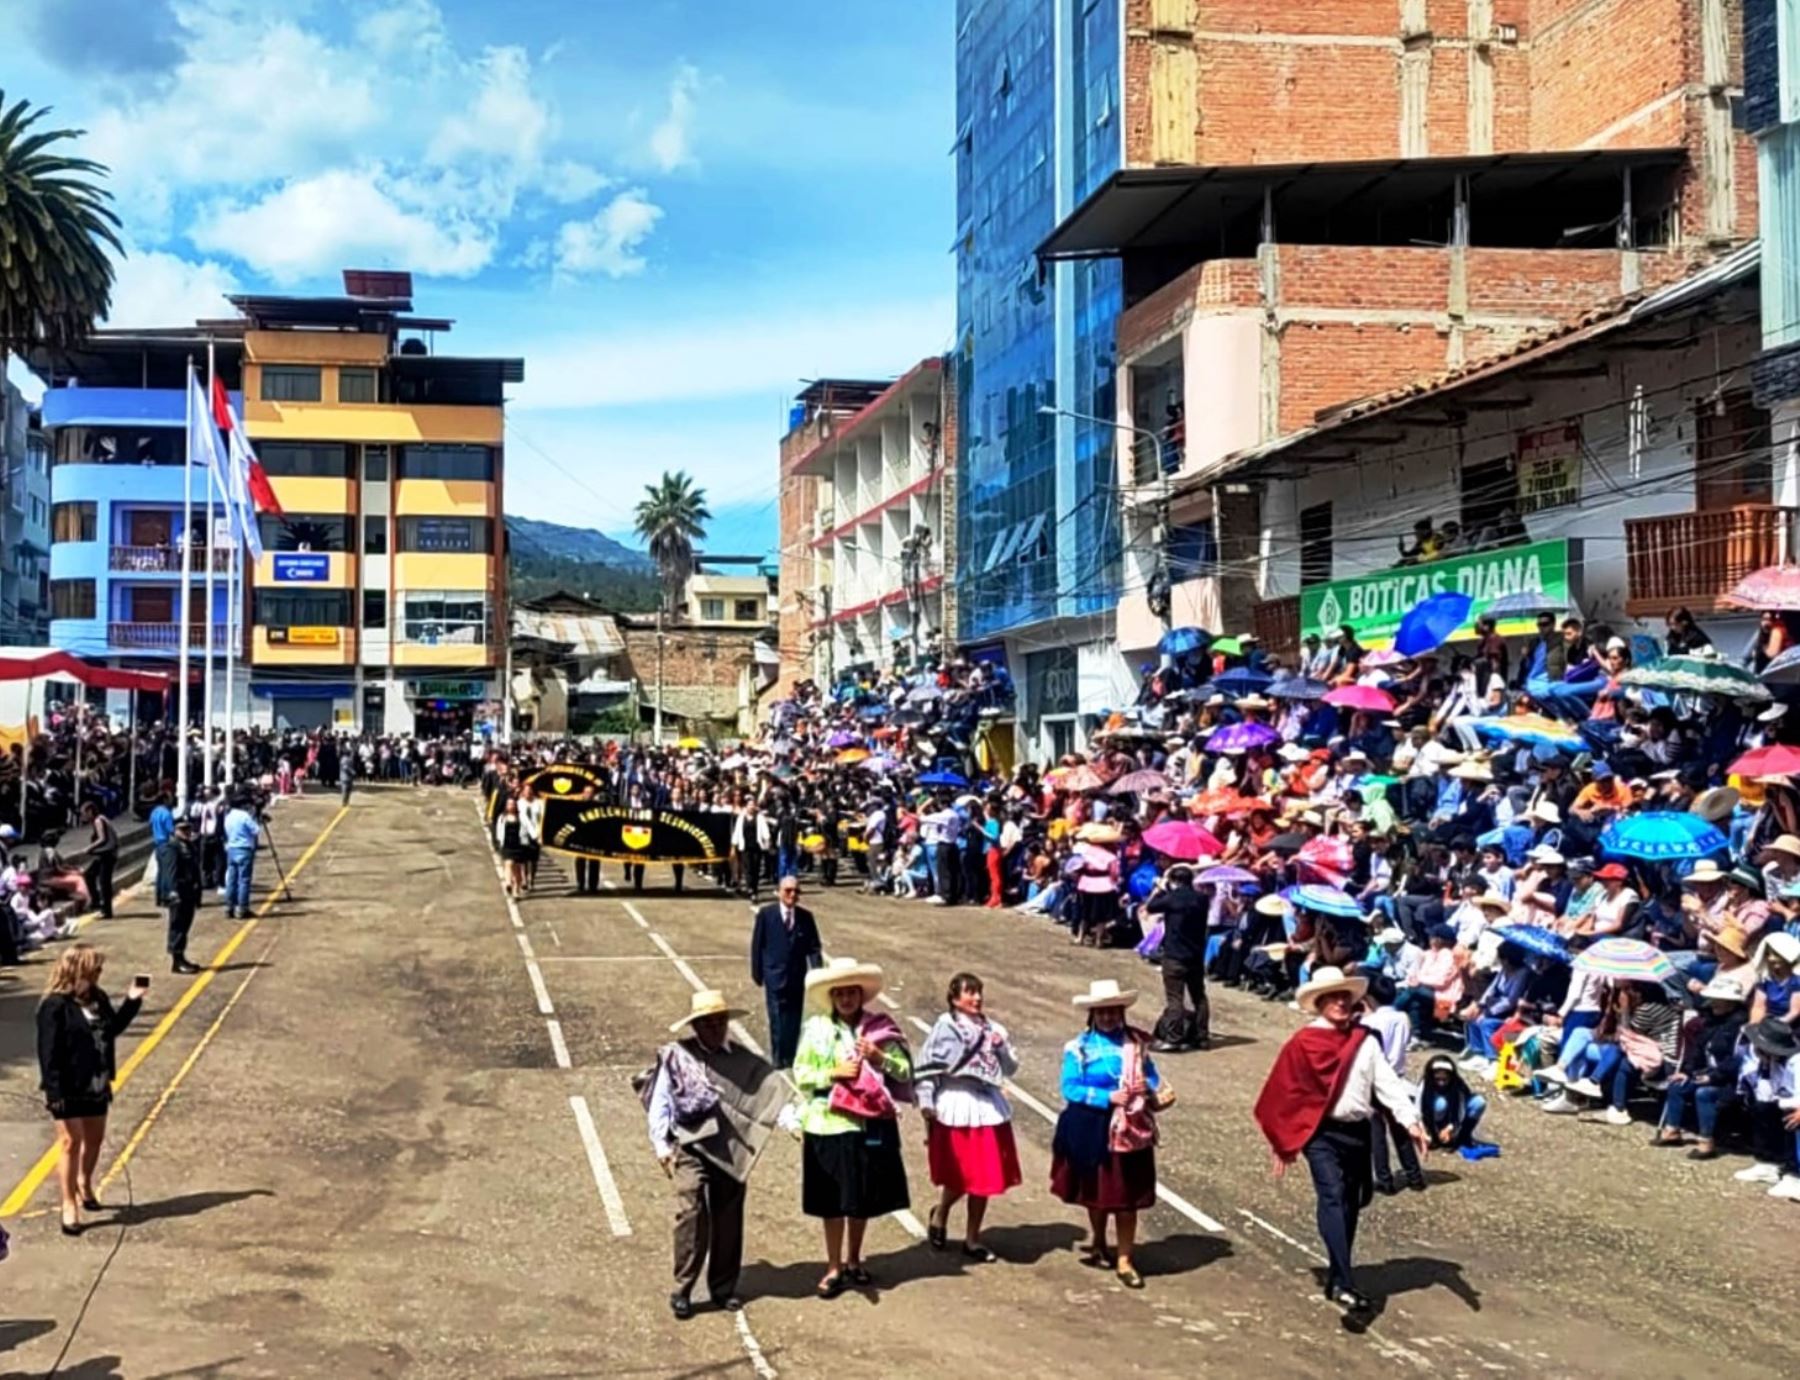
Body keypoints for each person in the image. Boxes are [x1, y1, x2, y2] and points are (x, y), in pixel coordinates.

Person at [1253, 966, 1429, 1313]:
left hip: (1358, 1132)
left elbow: (1387, 1084)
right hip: (1321, 1134)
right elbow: (1286, 1092)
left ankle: (1337, 1273)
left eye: (1345, 996)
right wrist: (1282, 1141)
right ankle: (1346, 1282)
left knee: (1353, 1202)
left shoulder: (1364, 1041)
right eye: (1332, 997)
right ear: (1319, 1003)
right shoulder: (1303, 1043)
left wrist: (1410, 1121)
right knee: (1332, 1195)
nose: (1340, 1002)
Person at [643, 989, 783, 1320]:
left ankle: (723, 1288)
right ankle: (683, 1288)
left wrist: (795, 1123)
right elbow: (659, 1103)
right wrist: (662, 1146)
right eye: (707, 1023)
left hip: (730, 1149)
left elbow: (769, 1097)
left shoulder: (745, 1061)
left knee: (729, 1216)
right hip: (690, 1146)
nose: (715, 1028)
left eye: (720, 1022)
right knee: (690, 1210)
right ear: (696, 1026)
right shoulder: (677, 1056)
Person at [791, 957, 912, 1298]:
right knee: (831, 1202)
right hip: (826, 1123)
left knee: (861, 1198)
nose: (846, 999)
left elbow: (904, 1074)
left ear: (861, 994)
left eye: (851, 993)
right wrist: (832, 1074)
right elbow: (800, 1074)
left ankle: (855, 1259)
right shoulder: (815, 1029)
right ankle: (833, 1266)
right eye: (839, 993)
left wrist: (879, 1057)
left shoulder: (881, 1028)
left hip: (867, 1124)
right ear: (832, 997)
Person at [1051, 978, 1167, 1291]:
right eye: (1101, 1012)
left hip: (1131, 1128)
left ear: (1121, 1012)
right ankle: (1100, 1239)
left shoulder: (1136, 1045)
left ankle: (1125, 1259)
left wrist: (1157, 1093)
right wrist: (1106, 1098)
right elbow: (1069, 1087)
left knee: (1127, 1198)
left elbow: (1153, 1079)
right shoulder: (1080, 1048)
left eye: (1113, 1011)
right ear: (1092, 1014)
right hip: (1092, 1127)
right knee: (1098, 1194)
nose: (1108, 1017)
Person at [36, 944, 147, 1235]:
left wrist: (132, 1001)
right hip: (68, 1086)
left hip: (96, 1082)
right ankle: (68, 1202)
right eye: (95, 968)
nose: (99, 973)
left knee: (95, 1140)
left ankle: (85, 1182)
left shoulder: (98, 999)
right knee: (71, 1142)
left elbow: (112, 1029)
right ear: (79, 970)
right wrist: (54, 1093)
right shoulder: (54, 1006)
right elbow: (48, 1053)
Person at [916, 972, 1021, 1260]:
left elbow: (1010, 1069)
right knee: (961, 1173)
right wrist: (926, 1102)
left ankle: (973, 1238)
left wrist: (1000, 1048)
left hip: (988, 1107)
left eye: (978, 992)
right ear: (954, 998)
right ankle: (941, 1212)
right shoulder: (945, 1027)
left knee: (984, 1175)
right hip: (956, 1104)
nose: (976, 998)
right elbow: (927, 1066)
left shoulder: (993, 1029)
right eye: (969, 993)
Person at [748, 875, 822, 1068]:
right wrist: (757, 972)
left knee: (793, 1020)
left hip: (797, 977)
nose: (792, 895)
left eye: (796, 891)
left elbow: (813, 947)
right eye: (788, 890)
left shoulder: (806, 917)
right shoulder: (766, 915)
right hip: (774, 976)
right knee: (777, 1020)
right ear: (779, 892)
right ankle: (778, 1058)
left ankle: (791, 1056)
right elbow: (758, 945)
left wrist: (818, 973)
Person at [1146, 865, 1212, 1052]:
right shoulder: (1201, 899)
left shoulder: (1172, 899)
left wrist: (1159, 889)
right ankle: (1202, 1036)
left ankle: (1173, 1038)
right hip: (1196, 954)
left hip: (1175, 955)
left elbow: (1150, 907)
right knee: (1199, 996)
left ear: (1173, 880)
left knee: (1175, 998)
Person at [165, 817, 203, 974]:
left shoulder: (189, 845)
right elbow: (170, 872)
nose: (187, 832)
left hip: (189, 890)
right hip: (179, 891)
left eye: (188, 828)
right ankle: (177, 960)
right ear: (175, 830)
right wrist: (173, 893)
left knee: (185, 925)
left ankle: (181, 957)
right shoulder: (172, 847)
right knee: (178, 926)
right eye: (183, 829)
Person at [222, 794, 260, 920]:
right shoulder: (244, 816)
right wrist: (256, 818)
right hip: (244, 848)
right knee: (243, 880)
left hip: (232, 849)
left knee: (231, 879)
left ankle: (229, 907)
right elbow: (256, 830)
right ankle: (241, 908)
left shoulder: (229, 816)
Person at [79, 800, 119, 921]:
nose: (83, 817)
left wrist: (89, 848)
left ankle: (106, 910)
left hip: (107, 855)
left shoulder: (98, 820)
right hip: (104, 855)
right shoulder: (100, 820)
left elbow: (102, 838)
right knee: (89, 875)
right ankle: (96, 901)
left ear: (90, 811)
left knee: (104, 882)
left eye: (84, 813)